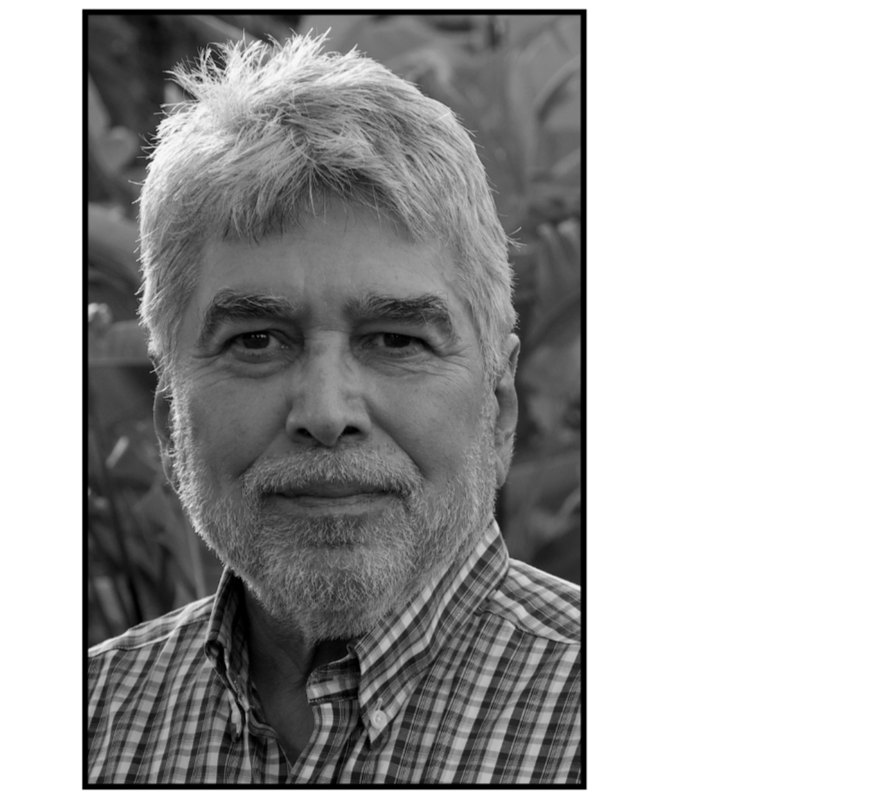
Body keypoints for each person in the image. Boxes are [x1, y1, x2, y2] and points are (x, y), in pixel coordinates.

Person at [87, 31, 580, 783]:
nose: (324, 411)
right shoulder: (101, 719)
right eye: (256, 340)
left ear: (500, 404)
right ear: (168, 420)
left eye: (395, 339)